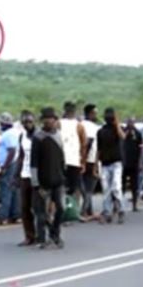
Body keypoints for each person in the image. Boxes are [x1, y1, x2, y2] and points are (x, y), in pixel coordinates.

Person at [30, 107, 67, 249]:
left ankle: (55, 232)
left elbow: (62, 158)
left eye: (51, 118)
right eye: (46, 118)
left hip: (58, 180)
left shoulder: (59, 136)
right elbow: (33, 163)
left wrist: (64, 176)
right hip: (42, 181)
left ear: (55, 120)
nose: (48, 121)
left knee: (61, 208)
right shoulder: (38, 138)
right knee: (41, 213)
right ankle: (42, 238)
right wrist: (36, 184)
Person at [96, 107, 126, 224]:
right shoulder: (101, 131)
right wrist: (95, 165)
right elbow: (98, 149)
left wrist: (117, 123)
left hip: (116, 163)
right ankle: (107, 211)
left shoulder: (117, 129)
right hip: (104, 163)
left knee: (116, 187)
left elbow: (123, 136)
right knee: (106, 189)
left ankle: (121, 210)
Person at [0, 112, 24, 225]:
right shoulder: (15, 132)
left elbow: (11, 150)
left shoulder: (8, 134)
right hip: (14, 163)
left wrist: (4, 166)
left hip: (10, 164)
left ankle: (3, 216)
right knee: (14, 190)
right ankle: (16, 215)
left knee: (6, 190)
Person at [15, 110, 38, 246]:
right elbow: (21, 156)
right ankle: (29, 236)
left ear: (34, 121)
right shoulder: (22, 136)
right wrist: (16, 175)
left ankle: (44, 234)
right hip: (25, 175)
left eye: (29, 122)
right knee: (24, 208)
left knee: (39, 208)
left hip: (37, 175)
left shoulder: (39, 136)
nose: (27, 124)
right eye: (24, 122)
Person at [59, 101, 86, 211]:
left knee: (62, 188)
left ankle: (63, 211)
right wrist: (83, 162)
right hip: (74, 160)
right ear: (74, 111)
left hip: (61, 161)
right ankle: (74, 211)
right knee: (75, 188)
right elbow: (83, 145)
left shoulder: (58, 123)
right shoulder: (79, 125)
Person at [81, 104, 102, 221]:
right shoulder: (91, 127)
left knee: (85, 187)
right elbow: (88, 144)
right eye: (95, 113)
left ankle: (89, 210)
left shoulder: (80, 125)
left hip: (83, 160)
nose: (96, 115)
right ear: (89, 114)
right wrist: (86, 161)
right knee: (89, 188)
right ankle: (84, 211)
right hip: (90, 160)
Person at [122, 115, 143, 212]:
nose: (130, 123)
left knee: (134, 185)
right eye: (129, 121)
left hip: (134, 163)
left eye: (132, 122)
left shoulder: (138, 133)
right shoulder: (122, 132)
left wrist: (140, 162)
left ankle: (134, 205)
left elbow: (142, 148)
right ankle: (118, 205)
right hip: (123, 163)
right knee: (120, 185)